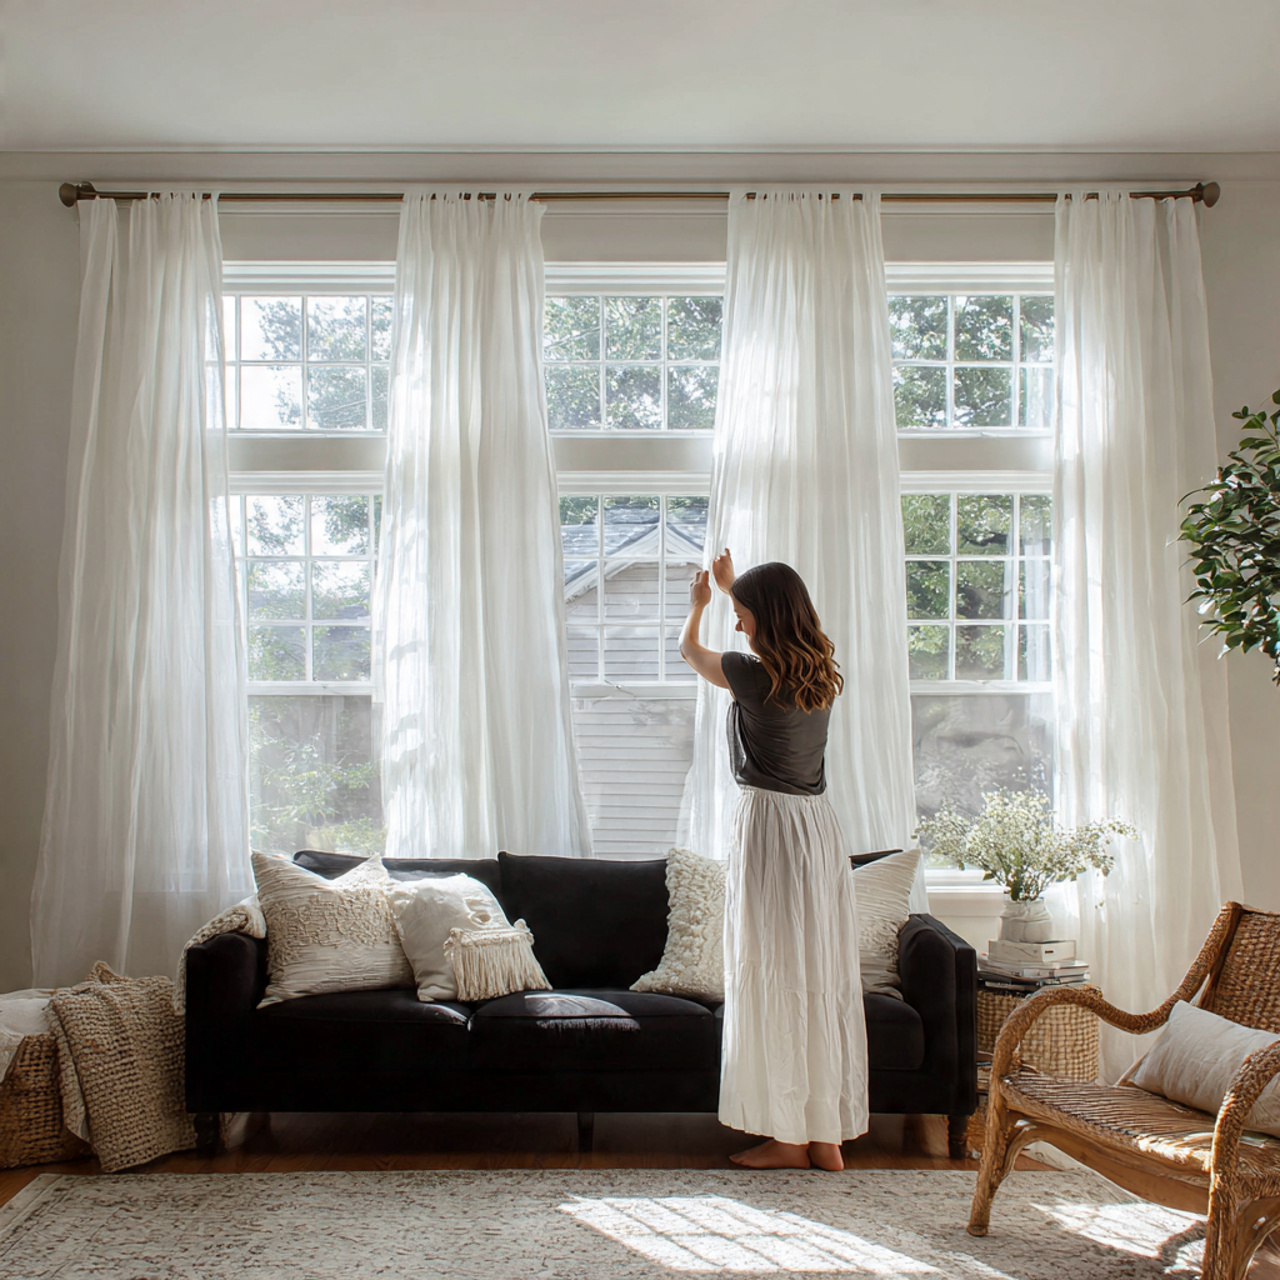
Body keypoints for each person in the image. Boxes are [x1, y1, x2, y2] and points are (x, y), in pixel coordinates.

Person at [680, 549, 868, 1171]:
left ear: (763, 617)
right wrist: (738, 591)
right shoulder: (821, 671)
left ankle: (788, 1137)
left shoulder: (749, 673)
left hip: (770, 829)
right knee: (816, 973)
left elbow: (691, 654)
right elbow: (771, 633)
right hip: (817, 830)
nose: (735, 625)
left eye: (742, 615)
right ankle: (826, 1135)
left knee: (776, 973)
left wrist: (700, 606)